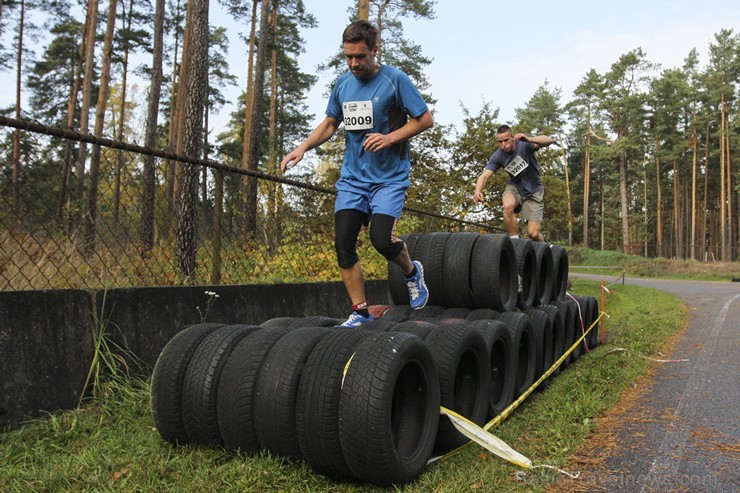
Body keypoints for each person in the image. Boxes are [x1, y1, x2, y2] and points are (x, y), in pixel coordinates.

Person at [280, 20, 433, 327]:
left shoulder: (395, 80)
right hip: (353, 179)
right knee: (343, 243)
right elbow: (330, 123)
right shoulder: (343, 85)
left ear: (375, 51)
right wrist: (303, 147)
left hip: (389, 178)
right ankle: (359, 312)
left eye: (360, 56)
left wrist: (390, 138)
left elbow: (424, 119)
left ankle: (411, 271)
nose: (353, 63)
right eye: (348, 56)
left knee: (380, 239)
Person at [472, 125, 553, 241]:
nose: (503, 145)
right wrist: (477, 191)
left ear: (513, 137)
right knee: (507, 205)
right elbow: (484, 176)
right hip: (515, 187)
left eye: (506, 140)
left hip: (534, 191)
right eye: (500, 142)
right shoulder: (498, 155)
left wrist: (529, 139)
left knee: (533, 234)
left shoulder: (524, 145)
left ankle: (543, 246)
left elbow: (549, 140)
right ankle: (515, 242)